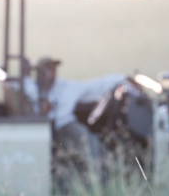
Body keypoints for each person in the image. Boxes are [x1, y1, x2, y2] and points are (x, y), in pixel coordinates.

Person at [36, 57, 127, 188]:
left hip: (64, 125)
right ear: (39, 72)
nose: (52, 73)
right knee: (85, 143)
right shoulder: (31, 89)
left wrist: (122, 78)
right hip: (46, 129)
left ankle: (104, 178)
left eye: (53, 69)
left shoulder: (66, 87)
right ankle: (100, 181)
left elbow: (93, 86)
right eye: (47, 69)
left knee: (88, 141)